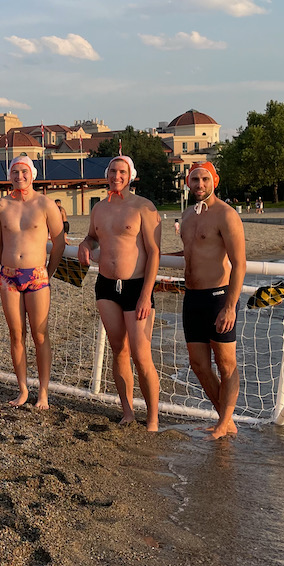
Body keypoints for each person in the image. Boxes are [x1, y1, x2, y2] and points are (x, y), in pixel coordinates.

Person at [78, 155, 161, 430]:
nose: (117, 176)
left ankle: (152, 418)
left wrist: (146, 294)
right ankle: (127, 412)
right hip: (106, 285)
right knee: (118, 350)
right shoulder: (99, 209)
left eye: (122, 171)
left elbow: (154, 253)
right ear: (107, 174)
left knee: (141, 354)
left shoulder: (143, 208)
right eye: (113, 171)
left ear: (131, 175)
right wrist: (85, 243)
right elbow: (92, 235)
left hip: (136, 286)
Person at [176, 162, 245, 440]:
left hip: (218, 298)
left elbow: (239, 264)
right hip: (192, 297)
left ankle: (224, 423)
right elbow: (189, 253)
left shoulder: (226, 215)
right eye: (195, 179)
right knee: (198, 363)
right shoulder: (188, 215)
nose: (200, 184)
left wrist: (230, 305)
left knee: (226, 364)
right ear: (188, 183)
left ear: (214, 181)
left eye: (205, 179)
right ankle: (226, 421)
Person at [0, 156, 65, 409]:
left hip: (37, 275)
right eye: (14, 171)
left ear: (32, 174)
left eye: (24, 171)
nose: (19, 176)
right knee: (16, 335)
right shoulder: (0, 206)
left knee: (40, 334)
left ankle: (43, 392)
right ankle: (22, 389)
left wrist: (49, 271)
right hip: (9, 276)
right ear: (9, 175)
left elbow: (59, 242)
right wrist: (9, 264)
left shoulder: (45, 204)